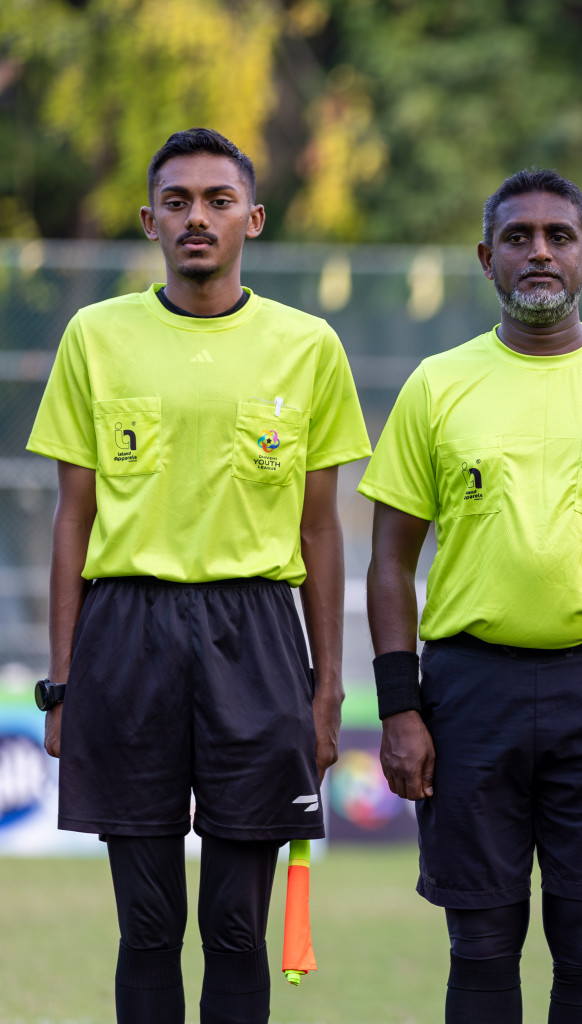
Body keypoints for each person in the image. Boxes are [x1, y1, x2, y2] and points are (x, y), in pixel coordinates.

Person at [26, 127, 372, 1023]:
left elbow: (321, 530)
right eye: (177, 201)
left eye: (219, 201)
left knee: (234, 928)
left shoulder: (309, 346)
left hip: (255, 636)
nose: (197, 218)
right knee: (146, 925)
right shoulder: (95, 337)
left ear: (252, 219)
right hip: (125, 634)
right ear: (149, 221)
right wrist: (61, 682)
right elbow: (75, 517)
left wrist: (328, 688)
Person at [361, 168, 582, 1024]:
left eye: (559, 237)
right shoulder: (437, 385)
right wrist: (399, 709)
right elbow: (388, 563)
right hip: (466, 692)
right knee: (479, 950)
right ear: (487, 259)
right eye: (518, 238)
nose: (540, 252)